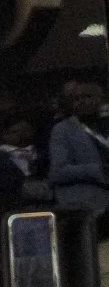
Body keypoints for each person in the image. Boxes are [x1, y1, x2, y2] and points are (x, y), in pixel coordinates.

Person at [47, 79, 109, 229]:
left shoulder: (105, 127)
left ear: (101, 100)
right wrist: (98, 170)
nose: (81, 102)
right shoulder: (63, 130)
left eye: (87, 97)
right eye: (76, 99)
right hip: (88, 206)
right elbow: (57, 172)